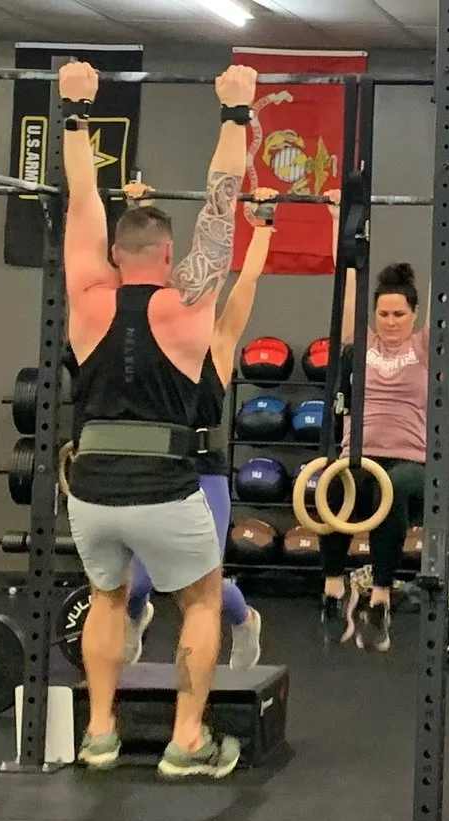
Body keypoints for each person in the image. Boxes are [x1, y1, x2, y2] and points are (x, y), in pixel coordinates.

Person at [58, 60, 256, 778]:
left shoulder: (86, 295)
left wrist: (76, 110)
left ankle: (99, 734)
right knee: (200, 602)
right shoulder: (189, 300)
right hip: (166, 484)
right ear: (170, 256)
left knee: (107, 599)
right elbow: (221, 200)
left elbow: (83, 197)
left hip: (90, 488)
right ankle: (187, 740)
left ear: (115, 254)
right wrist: (235, 114)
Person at [115, 178, 270, 672]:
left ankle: (244, 619)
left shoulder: (217, 345)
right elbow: (136, 280)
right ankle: (134, 615)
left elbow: (245, 283)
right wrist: (139, 206)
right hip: (158, 467)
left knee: (202, 580)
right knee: (136, 582)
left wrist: (263, 226)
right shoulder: (155, 334)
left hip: (204, 472)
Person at [318, 259, 433, 650]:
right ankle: (333, 589)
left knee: (392, 487)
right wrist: (346, 234)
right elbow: (347, 287)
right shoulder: (361, 345)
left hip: (410, 461)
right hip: (360, 456)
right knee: (334, 483)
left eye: (399, 314)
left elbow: (442, 291)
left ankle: (381, 596)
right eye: (383, 314)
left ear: (414, 314)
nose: (390, 321)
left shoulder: (424, 347)